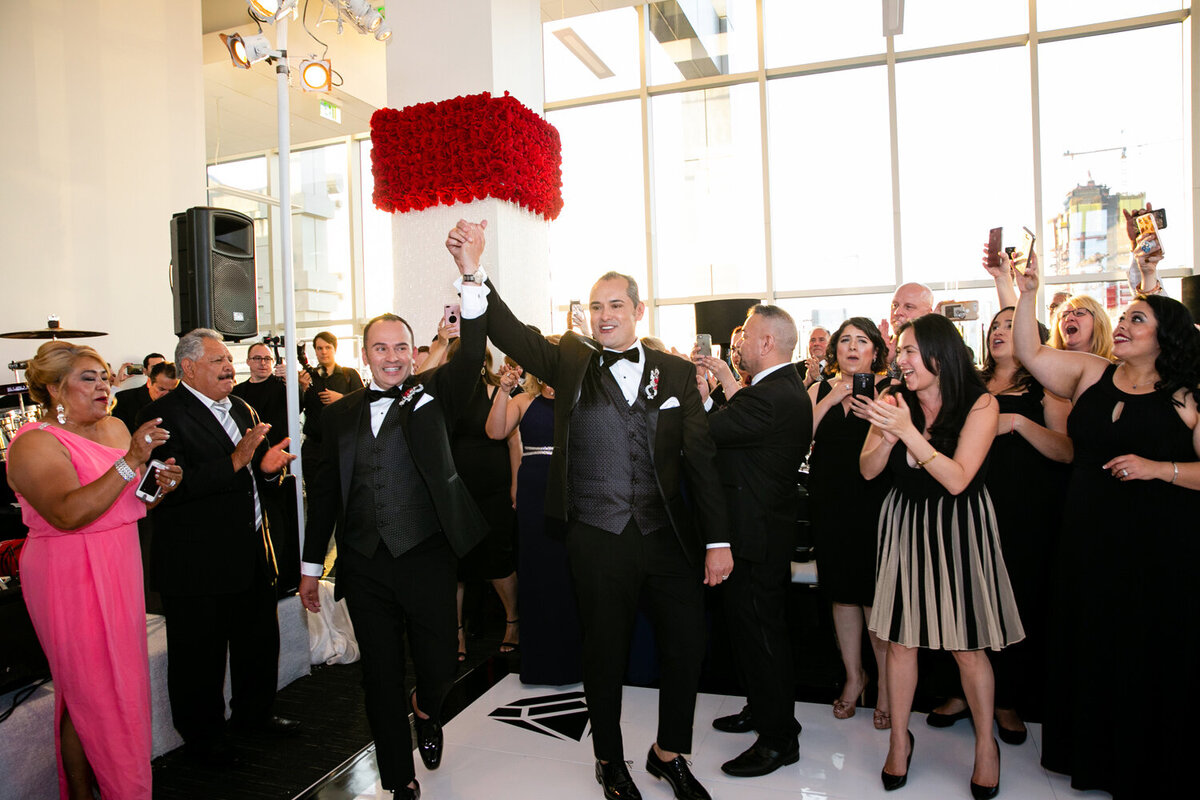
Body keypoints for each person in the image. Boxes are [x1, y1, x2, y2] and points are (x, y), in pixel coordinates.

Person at [448, 218, 730, 800]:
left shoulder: (676, 372)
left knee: (686, 645)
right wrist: (474, 272)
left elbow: (700, 462)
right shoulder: (571, 360)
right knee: (604, 651)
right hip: (597, 537)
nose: (605, 316)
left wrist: (718, 541)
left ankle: (669, 752)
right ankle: (609, 760)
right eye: (597, 306)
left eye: (616, 305)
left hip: (666, 536)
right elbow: (514, 333)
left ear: (638, 309)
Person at [1012, 252, 1200, 799]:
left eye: (1137, 318)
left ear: (1166, 336)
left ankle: (1147, 765)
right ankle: (1089, 756)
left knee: (1148, 650)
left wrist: (1156, 469)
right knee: (1093, 642)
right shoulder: (1091, 373)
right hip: (1090, 539)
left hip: (1160, 547)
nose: (1123, 324)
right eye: (1124, 317)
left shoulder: (1186, 397)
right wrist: (1027, 292)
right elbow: (1029, 350)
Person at [298, 309, 489, 800]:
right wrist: (310, 567)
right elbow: (322, 495)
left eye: (400, 348)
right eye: (380, 348)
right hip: (363, 564)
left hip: (426, 556)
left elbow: (468, 361)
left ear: (414, 352)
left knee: (442, 663)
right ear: (364, 356)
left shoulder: (433, 397)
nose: (391, 357)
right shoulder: (337, 414)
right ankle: (399, 780)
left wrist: (471, 283)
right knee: (378, 677)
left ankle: (426, 707)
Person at [5, 341, 181, 800]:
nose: (103, 385)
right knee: (90, 693)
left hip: (118, 560)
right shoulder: (34, 443)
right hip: (68, 571)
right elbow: (66, 512)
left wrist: (161, 487)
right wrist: (131, 462)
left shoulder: (118, 427)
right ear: (54, 387)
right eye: (89, 377)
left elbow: (129, 502)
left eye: (104, 375)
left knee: (116, 689)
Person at [858, 313, 1023, 798]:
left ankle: (985, 746)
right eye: (899, 352)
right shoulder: (893, 400)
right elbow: (867, 472)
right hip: (905, 523)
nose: (900, 361)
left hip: (959, 527)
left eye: (909, 351)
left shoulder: (981, 404)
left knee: (966, 646)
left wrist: (908, 434)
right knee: (902, 642)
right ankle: (898, 741)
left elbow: (957, 480)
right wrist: (885, 438)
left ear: (938, 354)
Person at [140, 328, 297, 766]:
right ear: (188, 368)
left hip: (250, 550)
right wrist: (234, 462)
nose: (231, 367)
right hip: (197, 562)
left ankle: (255, 715)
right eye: (218, 361)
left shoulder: (243, 407)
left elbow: (257, 472)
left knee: (258, 644)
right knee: (198, 660)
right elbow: (163, 490)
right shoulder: (163, 416)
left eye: (229, 358)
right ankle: (203, 739)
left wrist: (267, 469)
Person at [926, 299, 1073, 745]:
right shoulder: (971, 383)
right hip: (968, 500)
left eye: (1011, 324)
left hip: (1024, 509)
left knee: (1015, 600)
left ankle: (1007, 700)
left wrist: (1015, 424)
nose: (999, 330)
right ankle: (959, 691)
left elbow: (1068, 451)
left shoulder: (1046, 388)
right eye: (995, 324)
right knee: (966, 597)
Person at [692, 305, 812, 778]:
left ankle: (779, 738)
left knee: (762, 636)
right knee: (749, 632)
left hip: (756, 534)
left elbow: (709, 433)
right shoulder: (771, 390)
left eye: (746, 339)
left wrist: (695, 395)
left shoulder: (773, 395)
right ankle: (761, 710)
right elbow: (730, 429)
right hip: (757, 529)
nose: (737, 345)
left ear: (766, 344)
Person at [804, 317, 893, 729]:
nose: (852, 347)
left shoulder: (891, 393)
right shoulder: (818, 389)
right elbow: (797, 440)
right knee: (841, 594)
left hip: (875, 507)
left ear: (875, 351)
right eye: (845, 341)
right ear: (834, 351)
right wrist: (830, 397)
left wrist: (874, 409)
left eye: (861, 341)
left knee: (875, 597)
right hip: (829, 504)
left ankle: (889, 687)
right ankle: (854, 677)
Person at [486, 342, 584, 686]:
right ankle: (541, 663)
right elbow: (495, 432)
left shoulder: (579, 400)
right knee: (537, 573)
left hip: (572, 491)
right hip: (533, 494)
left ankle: (576, 663)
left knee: (569, 576)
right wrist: (503, 390)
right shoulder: (524, 401)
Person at [448, 343, 520, 660]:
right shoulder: (445, 396)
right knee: (456, 566)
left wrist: (517, 485)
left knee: (497, 560)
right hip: (455, 491)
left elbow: (514, 444)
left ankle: (513, 622)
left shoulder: (496, 391)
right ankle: (457, 633)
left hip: (494, 489)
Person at [298, 331, 364, 479]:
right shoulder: (308, 377)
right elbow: (296, 409)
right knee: (315, 496)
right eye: (319, 348)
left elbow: (364, 403)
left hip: (343, 446)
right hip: (314, 449)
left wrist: (341, 398)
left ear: (335, 349)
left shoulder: (349, 375)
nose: (323, 352)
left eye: (327, 347)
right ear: (315, 350)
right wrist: (302, 389)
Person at [232, 342, 288, 446]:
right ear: (248, 361)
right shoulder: (236, 392)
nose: (263, 363)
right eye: (257, 358)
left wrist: (291, 381)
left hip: (278, 450)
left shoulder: (284, 387)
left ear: (273, 362)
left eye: (267, 358)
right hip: (248, 451)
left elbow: (299, 404)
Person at [111, 352, 167, 432]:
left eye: (162, 366)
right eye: (154, 367)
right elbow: (107, 412)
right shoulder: (125, 398)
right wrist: (117, 381)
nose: (159, 370)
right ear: (145, 371)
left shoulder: (176, 395)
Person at [883, 283, 935, 363]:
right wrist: (884, 361)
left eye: (909, 307)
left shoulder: (937, 349)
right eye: (895, 305)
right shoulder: (879, 348)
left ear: (928, 313)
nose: (897, 312)